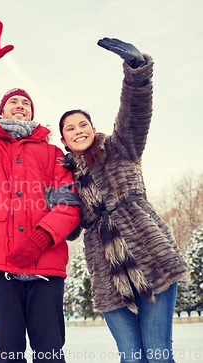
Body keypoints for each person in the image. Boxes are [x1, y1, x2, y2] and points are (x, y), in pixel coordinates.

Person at [0, 18, 81, 363]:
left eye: (25, 103)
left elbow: (68, 204)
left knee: (49, 350)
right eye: (13, 102)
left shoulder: (54, 153)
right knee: (7, 351)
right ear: (0, 111)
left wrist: (41, 239)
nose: (20, 106)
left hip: (46, 262)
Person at [59, 38, 189, 363]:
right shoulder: (62, 177)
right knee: (132, 357)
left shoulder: (120, 149)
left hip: (150, 257)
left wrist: (137, 72)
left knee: (158, 355)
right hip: (107, 272)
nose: (78, 130)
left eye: (83, 124)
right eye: (70, 128)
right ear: (63, 139)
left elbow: (135, 113)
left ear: (93, 128)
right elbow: (68, 228)